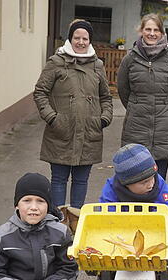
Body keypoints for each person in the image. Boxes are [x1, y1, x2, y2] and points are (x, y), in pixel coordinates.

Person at [98, 144, 168, 280]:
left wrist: (166, 233)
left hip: (157, 238)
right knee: (107, 273)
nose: (150, 184)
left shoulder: (159, 186)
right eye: (143, 182)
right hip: (122, 241)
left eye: (152, 178)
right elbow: (106, 217)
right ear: (126, 183)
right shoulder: (111, 190)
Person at [34, 19, 113, 209]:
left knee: (81, 180)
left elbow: (106, 97)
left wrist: (104, 119)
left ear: (90, 40)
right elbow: (40, 92)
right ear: (70, 39)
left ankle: (76, 221)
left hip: (89, 132)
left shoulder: (97, 65)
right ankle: (58, 221)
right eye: (76, 37)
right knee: (59, 179)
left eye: (85, 38)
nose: (81, 42)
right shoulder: (56, 62)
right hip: (61, 132)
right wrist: (53, 118)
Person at [117, 13, 168, 180]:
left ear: (162, 33)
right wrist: (137, 106)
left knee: (159, 179)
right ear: (141, 31)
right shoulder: (130, 59)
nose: (151, 33)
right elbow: (123, 89)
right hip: (136, 126)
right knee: (135, 179)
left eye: (156, 30)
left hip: (165, 128)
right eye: (148, 29)